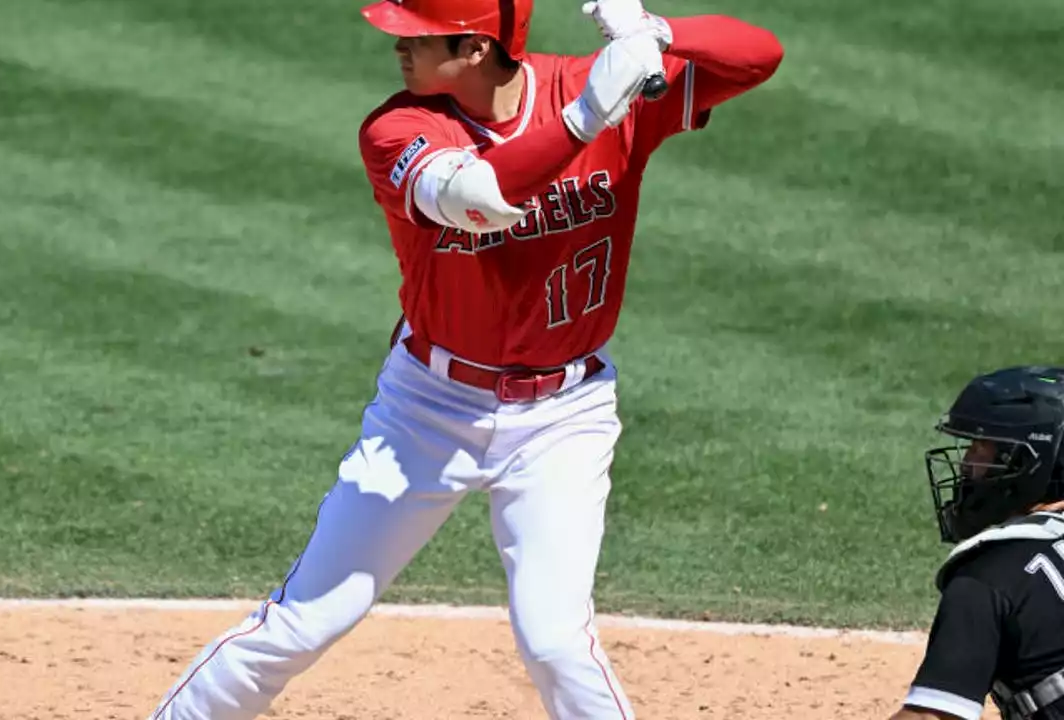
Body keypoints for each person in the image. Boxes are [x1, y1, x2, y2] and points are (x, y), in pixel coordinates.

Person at [148, 0, 782, 717]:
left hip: (564, 418)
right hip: (428, 412)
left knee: (556, 643)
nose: (396, 46)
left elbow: (759, 55)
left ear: (477, 47)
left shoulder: (596, 80)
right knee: (303, 623)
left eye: (414, 35)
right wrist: (584, 120)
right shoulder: (400, 128)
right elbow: (478, 199)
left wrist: (654, 35)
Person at [890, 366, 1064, 720]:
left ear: (1029, 461)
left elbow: (930, 718)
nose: (967, 463)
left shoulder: (989, 576)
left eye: (980, 447)